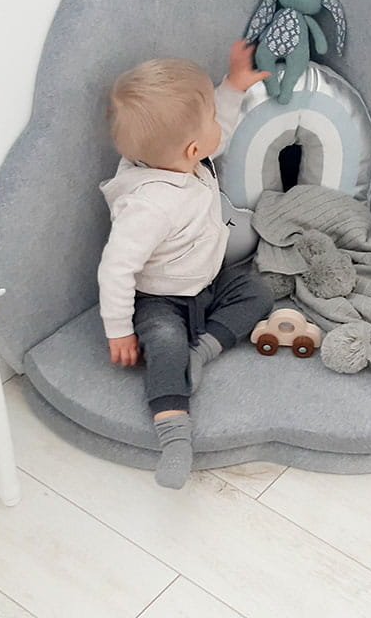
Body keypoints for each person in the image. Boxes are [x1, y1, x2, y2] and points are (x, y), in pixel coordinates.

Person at [97, 41, 274, 488]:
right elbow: (116, 268)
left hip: (207, 281)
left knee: (258, 292)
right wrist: (119, 328)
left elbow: (218, 131)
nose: (221, 123)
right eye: (214, 117)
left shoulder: (185, 160)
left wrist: (233, 86)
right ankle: (174, 433)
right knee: (163, 343)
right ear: (194, 148)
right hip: (161, 300)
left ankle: (205, 350)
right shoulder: (148, 207)